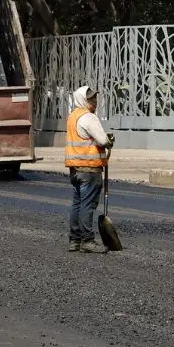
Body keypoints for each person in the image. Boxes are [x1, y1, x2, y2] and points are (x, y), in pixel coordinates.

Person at [66, 85, 113, 253]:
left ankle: (74, 240)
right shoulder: (88, 117)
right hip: (89, 170)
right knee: (87, 205)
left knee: (77, 204)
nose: (94, 101)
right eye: (91, 98)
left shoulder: (73, 116)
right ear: (83, 100)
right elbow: (101, 140)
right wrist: (109, 142)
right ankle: (87, 240)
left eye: (95, 98)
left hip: (75, 169)